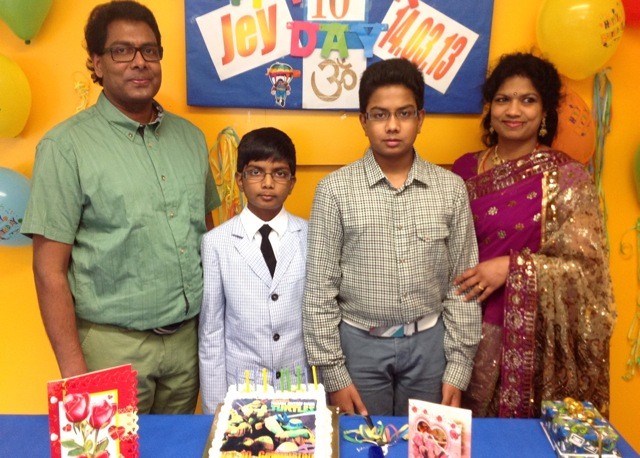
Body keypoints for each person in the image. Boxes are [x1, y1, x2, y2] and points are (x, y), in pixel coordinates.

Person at [21, 0, 220, 414]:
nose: (139, 62)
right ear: (96, 63)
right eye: (121, 51)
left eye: (149, 50)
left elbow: (207, 236)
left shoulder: (191, 139)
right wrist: (75, 373)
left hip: (187, 348)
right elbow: (48, 270)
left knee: (178, 445)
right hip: (110, 350)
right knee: (110, 447)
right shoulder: (65, 148)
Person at [302, 58, 482, 416]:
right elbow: (319, 290)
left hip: (431, 348)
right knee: (362, 440)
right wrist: (333, 373)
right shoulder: (334, 191)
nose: (393, 126)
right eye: (380, 115)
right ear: (363, 121)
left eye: (404, 113)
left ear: (421, 118)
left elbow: (462, 285)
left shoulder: (450, 189)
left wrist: (459, 366)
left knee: (424, 442)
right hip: (359, 348)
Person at [451, 52, 616, 418]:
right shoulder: (464, 169)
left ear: (544, 113)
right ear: (490, 108)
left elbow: (588, 271)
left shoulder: (567, 178)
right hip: (460, 325)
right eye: (503, 99)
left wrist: (513, 268)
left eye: (528, 100)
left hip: (527, 338)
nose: (513, 110)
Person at [199, 127, 308, 414]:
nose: (268, 183)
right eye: (256, 172)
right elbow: (211, 332)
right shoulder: (216, 242)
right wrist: (215, 408)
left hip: (298, 386)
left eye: (279, 173)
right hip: (242, 388)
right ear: (240, 180)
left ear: (292, 182)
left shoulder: (310, 236)